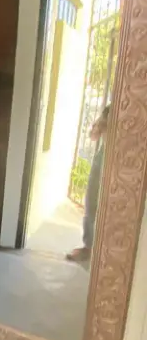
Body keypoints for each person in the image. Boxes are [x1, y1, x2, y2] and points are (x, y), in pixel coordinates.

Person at [67, 105, 110, 262]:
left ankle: (104, 251)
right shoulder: (109, 111)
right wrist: (100, 126)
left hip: (122, 162)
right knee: (91, 202)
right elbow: (93, 136)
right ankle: (88, 248)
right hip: (103, 158)